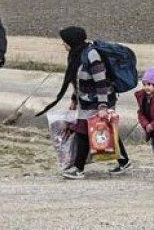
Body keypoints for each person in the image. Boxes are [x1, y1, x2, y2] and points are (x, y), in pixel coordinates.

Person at [47, 26, 132, 179]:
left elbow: (101, 81)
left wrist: (103, 107)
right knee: (107, 130)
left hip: (99, 100)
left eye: (65, 42)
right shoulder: (77, 54)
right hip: (86, 101)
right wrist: (74, 100)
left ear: (72, 41)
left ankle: (78, 169)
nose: (63, 45)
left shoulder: (92, 55)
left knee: (82, 132)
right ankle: (124, 161)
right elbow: (77, 81)